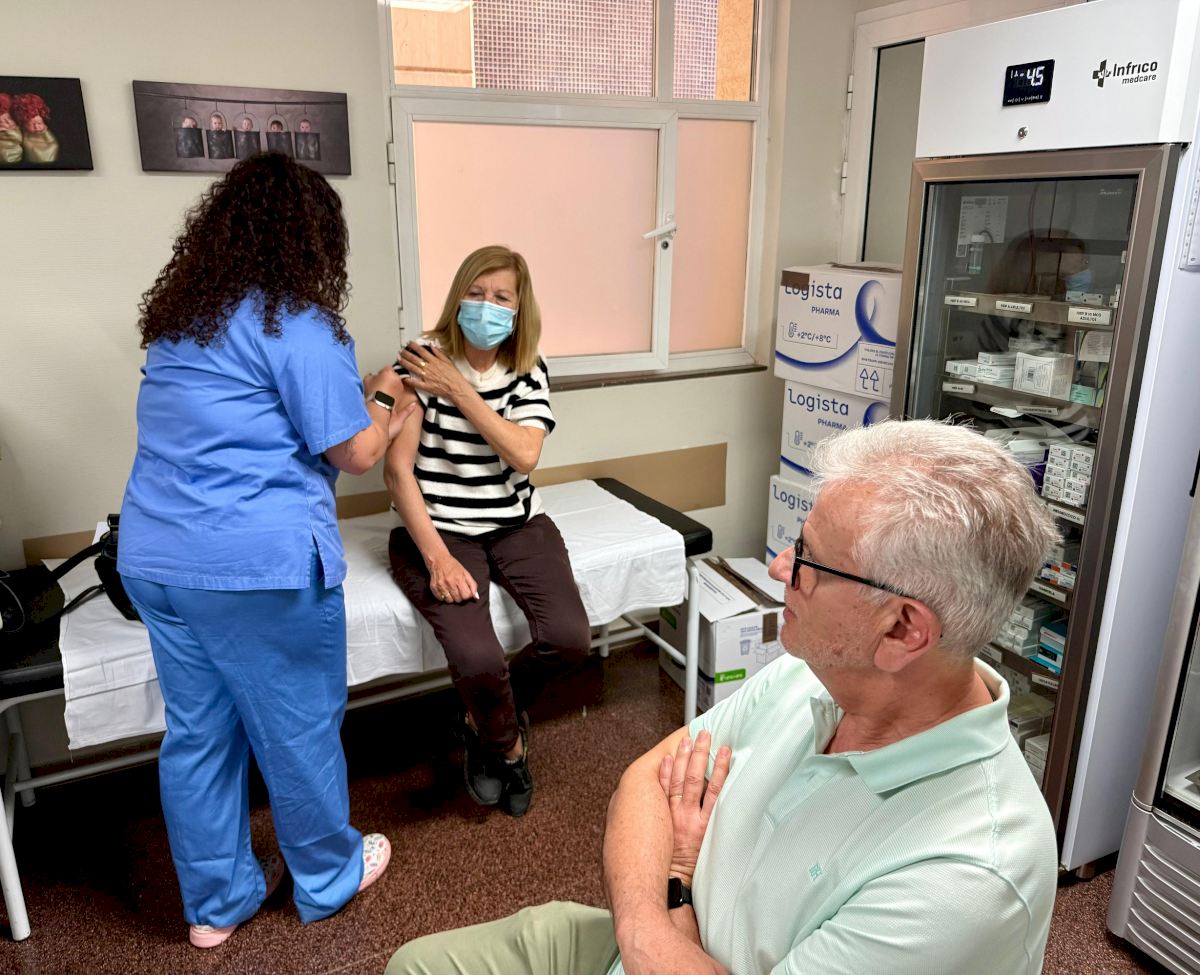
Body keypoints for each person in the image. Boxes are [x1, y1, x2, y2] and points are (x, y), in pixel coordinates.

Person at [385, 419, 1062, 975]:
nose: (779, 566)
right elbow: (645, 780)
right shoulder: (820, 675)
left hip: (659, 929)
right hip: (636, 942)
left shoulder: (965, 876)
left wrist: (678, 879)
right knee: (414, 965)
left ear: (902, 628)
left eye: (809, 560)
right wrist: (657, 922)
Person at [117, 152, 414, 950]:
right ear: (313, 239)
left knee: (199, 734)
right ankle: (328, 874)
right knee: (296, 729)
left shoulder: (181, 321)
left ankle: (216, 904)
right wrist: (386, 392)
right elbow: (356, 451)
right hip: (254, 570)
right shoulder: (298, 325)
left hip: (156, 561)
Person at [383, 244, 590, 819]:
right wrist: (437, 558)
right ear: (457, 297)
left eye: (501, 297)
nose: (486, 305)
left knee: (570, 637)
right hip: (441, 529)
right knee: (477, 655)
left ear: (519, 309)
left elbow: (524, 454)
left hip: (517, 523)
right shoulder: (421, 361)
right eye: (475, 293)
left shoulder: (527, 367)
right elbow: (397, 472)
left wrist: (459, 390)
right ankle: (507, 745)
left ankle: (481, 716)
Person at [11, 93, 57, 164]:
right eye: (32, 124)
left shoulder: (47, 133)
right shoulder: (22, 135)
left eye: (39, 123)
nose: (37, 127)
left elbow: (52, 145)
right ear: (23, 124)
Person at [0, 94, 23, 164]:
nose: (8, 122)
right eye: (1, 122)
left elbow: (19, 139)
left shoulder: (18, 129)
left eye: (9, 118)